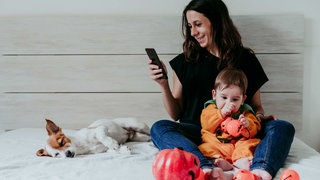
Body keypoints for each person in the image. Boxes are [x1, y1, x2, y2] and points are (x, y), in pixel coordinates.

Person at [147, 0, 295, 179]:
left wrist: (258, 118)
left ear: (216, 21)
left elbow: (256, 106)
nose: (193, 32)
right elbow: (175, 114)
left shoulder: (246, 60)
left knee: (282, 127)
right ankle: (205, 166)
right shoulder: (185, 61)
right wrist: (163, 84)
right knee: (159, 127)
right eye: (190, 26)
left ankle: (259, 171)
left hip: (240, 133)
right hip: (198, 131)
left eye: (198, 24)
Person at [199, 68, 261, 171]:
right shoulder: (210, 109)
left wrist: (248, 124)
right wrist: (221, 113)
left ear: (243, 100)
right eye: (224, 98)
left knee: (251, 143)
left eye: (235, 99)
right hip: (216, 145)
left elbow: (256, 128)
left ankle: (241, 160)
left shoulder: (245, 112)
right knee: (204, 148)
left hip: (237, 147)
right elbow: (206, 124)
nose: (229, 103)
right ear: (214, 95)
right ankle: (217, 161)